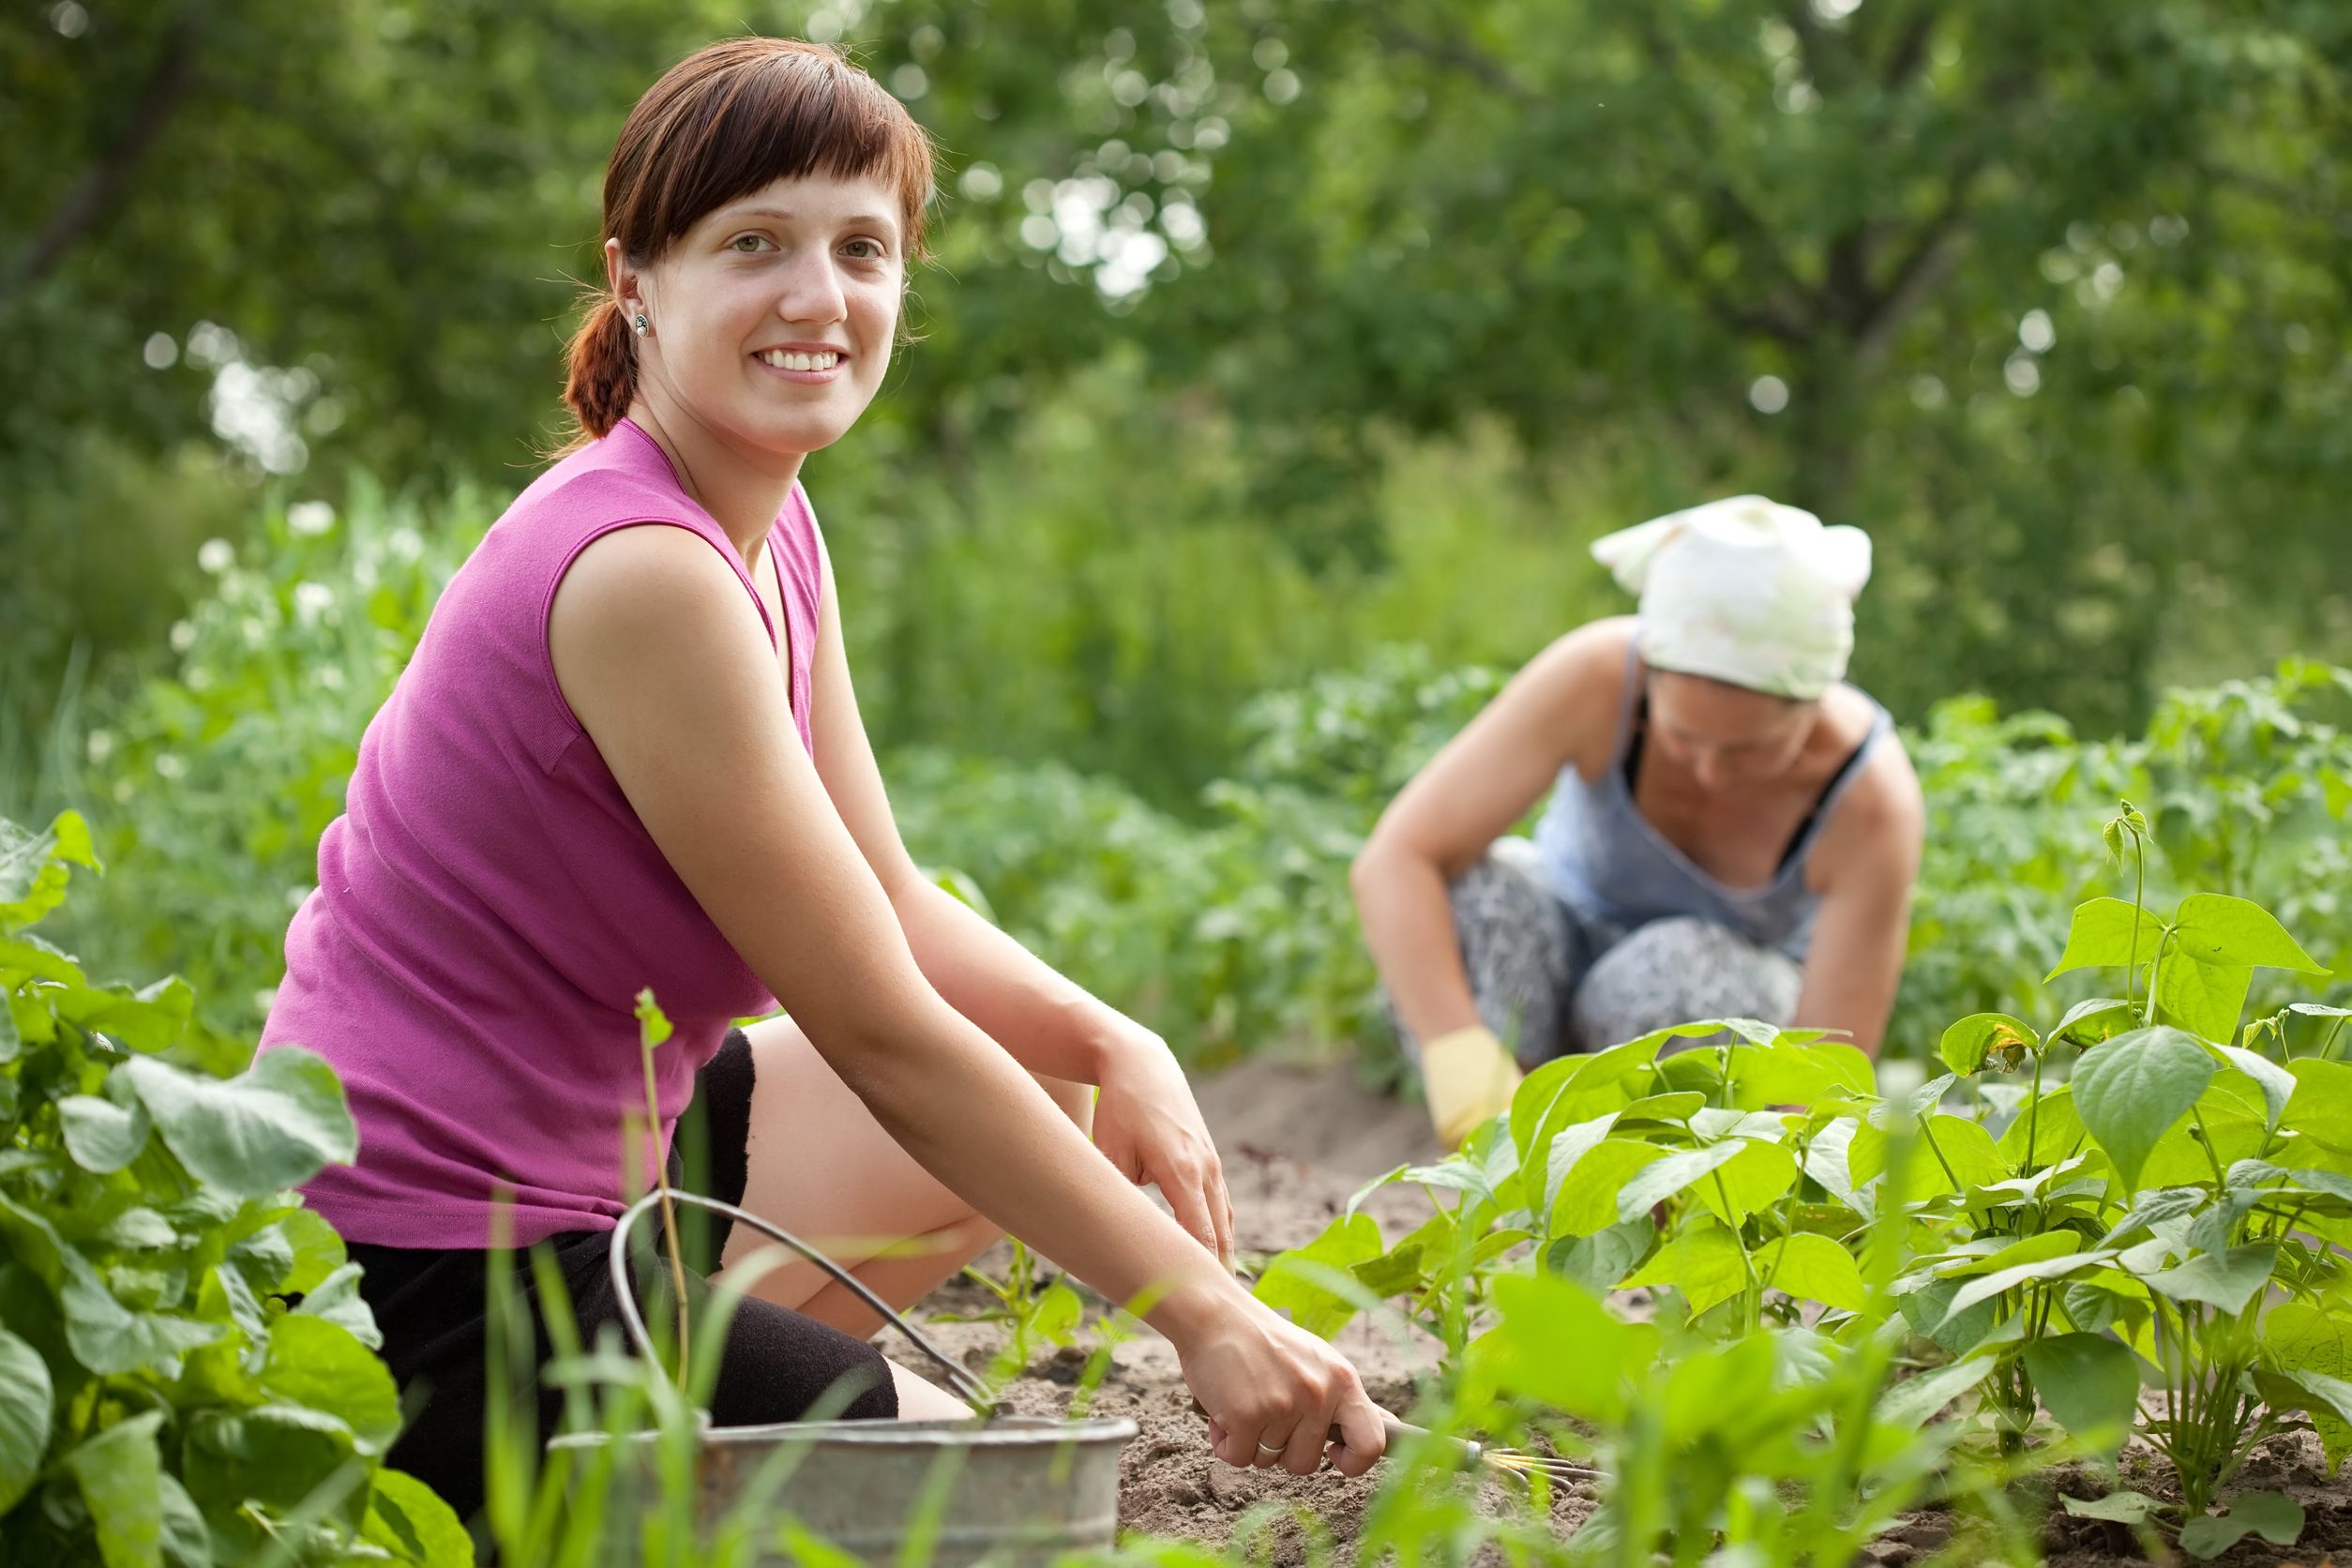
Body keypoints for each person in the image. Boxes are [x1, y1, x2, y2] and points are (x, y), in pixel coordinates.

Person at [256, 37, 1383, 1520]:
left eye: (862, 248)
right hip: (428, 1279)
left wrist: (1122, 1043)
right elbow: (879, 1031)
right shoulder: (641, 572)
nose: (817, 296)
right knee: (977, 1497)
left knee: (1042, 1068)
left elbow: (893, 902)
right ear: (637, 280)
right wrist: (1209, 1317)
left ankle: (707, 1396)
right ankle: (640, 1434)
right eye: (754, 245)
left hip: (616, 1170)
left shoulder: (763, 524)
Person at [1349, 496, 1925, 1147]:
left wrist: (1783, 1170)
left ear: (1815, 699)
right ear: (1649, 676)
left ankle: (1649, 1180)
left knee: (1683, 967)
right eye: (1683, 739)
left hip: (1689, 1021)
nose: (1708, 772)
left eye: (1748, 751)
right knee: (1477, 898)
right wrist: (1460, 1058)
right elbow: (1396, 860)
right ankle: (1516, 1153)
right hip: (1557, 969)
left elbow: (1826, 1072)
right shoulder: (1595, 680)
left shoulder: (1870, 803)